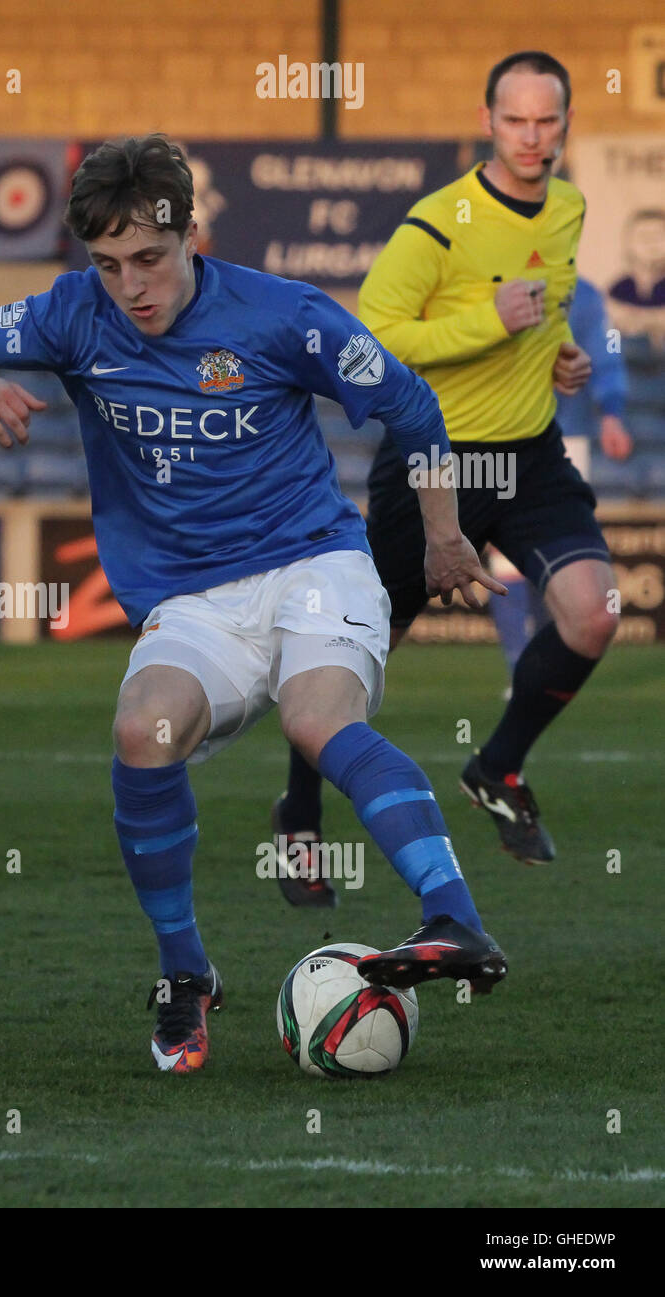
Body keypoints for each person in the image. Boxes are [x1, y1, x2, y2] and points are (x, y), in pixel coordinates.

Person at [0, 134, 509, 1075]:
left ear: (191, 236)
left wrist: (442, 534)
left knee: (315, 717)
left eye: (148, 258)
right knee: (143, 731)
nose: (130, 285)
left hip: (314, 562)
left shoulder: (283, 314)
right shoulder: (70, 315)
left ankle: (454, 917)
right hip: (190, 598)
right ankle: (187, 974)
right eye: (107, 265)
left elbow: (415, 407)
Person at [272, 51, 618, 903]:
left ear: (567, 125)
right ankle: (300, 817)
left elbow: (547, 315)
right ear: (487, 120)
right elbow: (372, 339)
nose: (533, 138)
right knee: (353, 655)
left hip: (531, 455)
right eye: (516, 121)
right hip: (436, 463)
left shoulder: (569, 207)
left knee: (594, 611)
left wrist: (560, 358)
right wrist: (485, 320)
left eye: (548, 122)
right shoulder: (439, 220)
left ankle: (497, 769)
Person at [491, 277, 632, 673]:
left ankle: (544, 662)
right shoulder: (488, 286)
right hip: (499, 436)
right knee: (506, 558)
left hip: (565, 440)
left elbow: (606, 356)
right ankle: (520, 665)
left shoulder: (583, 294)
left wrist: (613, 414)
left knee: (556, 558)